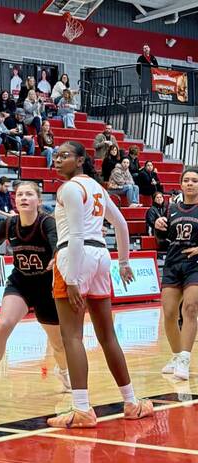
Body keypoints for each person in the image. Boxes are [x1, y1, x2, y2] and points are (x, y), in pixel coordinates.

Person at [48, 141, 153, 428]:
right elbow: (121, 224)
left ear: (80, 160)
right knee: (108, 336)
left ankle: (81, 409)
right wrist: (123, 261)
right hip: (101, 257)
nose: (58, 160)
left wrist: (71, 278)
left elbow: (77, 234)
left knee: (72, 337)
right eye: (56, 156)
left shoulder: (69, 188)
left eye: (65, 156)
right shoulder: (97, 188)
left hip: (75, 254)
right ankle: (131, 402)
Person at [0, 181, 70, 400]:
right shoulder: (10, 224)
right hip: (20, 283)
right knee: (3, 325)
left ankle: (64, 371)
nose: (23, 197)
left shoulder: (47, 223)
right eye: (20, 194)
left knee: (58, 343)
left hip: (46, 287)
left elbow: (56, 243)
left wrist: (54, 258)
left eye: (29, 194)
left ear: (38, 201)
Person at [154, 169, 198, 379]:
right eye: (186, 180)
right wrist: (157, 226)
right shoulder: (170, 209)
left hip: (195, 264)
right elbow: (161, 240)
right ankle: (176, 355)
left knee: (190, 308)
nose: (190, 184)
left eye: (195, 181)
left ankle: (185, 359)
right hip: (173, 263)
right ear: (180, 184)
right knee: (170, 313)